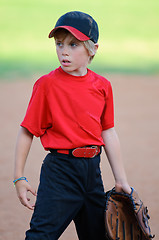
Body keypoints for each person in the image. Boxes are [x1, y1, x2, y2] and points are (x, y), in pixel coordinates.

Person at [13, 11, 131, 240]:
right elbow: (28, 130)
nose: (63, 51)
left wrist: (121, 179)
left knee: (97, 234)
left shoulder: (102, 86)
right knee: (41, 235)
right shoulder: (47, 85)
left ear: (93, 48)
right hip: (60, 172)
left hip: (92, 173)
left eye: (73, 44)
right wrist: (19, 177)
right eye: (59, 44)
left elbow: (107, 131)